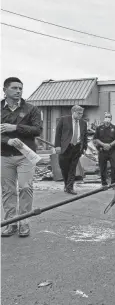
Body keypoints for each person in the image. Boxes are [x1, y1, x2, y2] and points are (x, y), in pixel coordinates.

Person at [1, 77, 43, 237]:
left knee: (25, 187)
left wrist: (16, 127)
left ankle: (24, 222)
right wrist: (8, 140)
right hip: (4, 155)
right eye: (14, 88)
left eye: (20, 88)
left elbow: (37, 130)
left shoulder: (32, 109)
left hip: (25, 155)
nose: (18, 91)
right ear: (5, 90)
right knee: (7, 190)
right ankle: (10, 223)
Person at [55, 105, 88, 195]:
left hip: (76, 148)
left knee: (72, 168)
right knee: (64, 167)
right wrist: (57, 146)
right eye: (79, 113)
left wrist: (84, 147)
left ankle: (70, 187)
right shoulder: (64, 120)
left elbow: (84, 136)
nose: (80, 115)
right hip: (65, 147)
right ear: (73, 112)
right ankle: (67, 185)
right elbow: (58, 133)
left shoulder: (83, 123)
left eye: (82, 113)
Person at [93, 112, 115, 188]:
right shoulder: (99, 128)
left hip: (112, 150)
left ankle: (114, 184)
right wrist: (103, 145)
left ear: (111, 119)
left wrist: (110, 145)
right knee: (102, 168)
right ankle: (104, 184)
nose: (107, 118)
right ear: (104, 118)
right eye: (106, 117)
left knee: (114, 167)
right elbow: (95, 139)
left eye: (109, 117)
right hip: (102, 150)